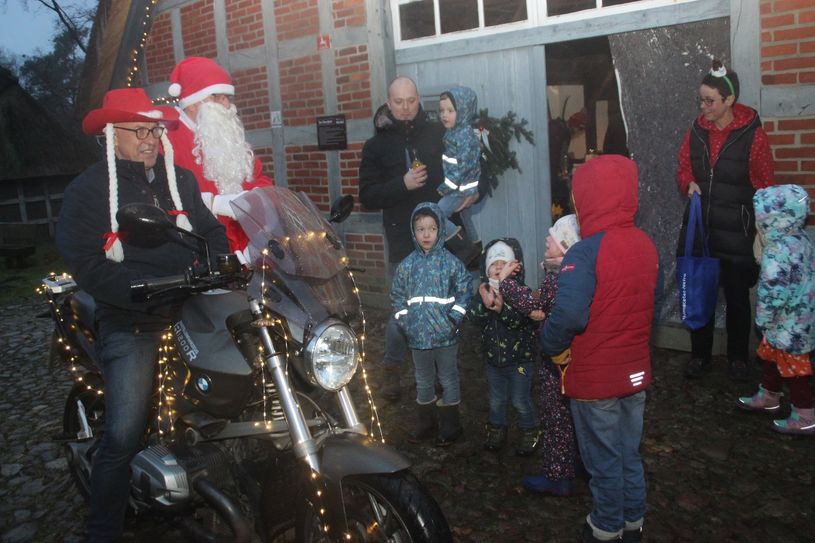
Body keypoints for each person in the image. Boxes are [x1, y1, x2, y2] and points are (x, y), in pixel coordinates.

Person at [55, 88, 229, 542]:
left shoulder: (180, 179)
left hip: (190, 304)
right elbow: (86, 263)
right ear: (113, 135)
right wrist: (134, 288)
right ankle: (103, 530)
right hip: (132, 317)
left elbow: (211, 231)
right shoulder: (89, 190)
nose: (150, 140)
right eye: (139, 131)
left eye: (154, 131)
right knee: (124, 432)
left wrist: (219, 263)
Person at [539, 156, 658, 543]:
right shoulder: (645, 244)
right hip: (635, 372)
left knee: (602, 459)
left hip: (596, 380)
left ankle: (606, 528)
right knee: (629, 453)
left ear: (587, 197)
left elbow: (570, 316)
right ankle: (633, 521)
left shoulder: (585, 252)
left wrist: (548, 342)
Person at [359, 76, 477, 402]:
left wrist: (473, 190)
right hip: (403, 239)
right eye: (399, 102)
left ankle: (439, 373)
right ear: (388, 102)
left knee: (441, 306)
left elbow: (467, 167)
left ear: (418, 99)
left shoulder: (440, 133)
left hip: (443, 236)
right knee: (405, 310)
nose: (406, 108)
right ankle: (392, 367)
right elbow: (367, 195)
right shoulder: (376, 146)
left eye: (411, 101)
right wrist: (403, 184)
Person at [676, 59, 775, 381]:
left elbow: (765, 184)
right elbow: (683, 167)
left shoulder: (753, 136)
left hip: (737, 231)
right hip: (702, 230)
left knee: (737, 298)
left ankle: (737, 359)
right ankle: (699, 356)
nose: (703, 107)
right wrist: (687, 183)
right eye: (701, 100)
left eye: (710, 101)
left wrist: (760, 226)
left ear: (729, 99)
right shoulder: (695, 132)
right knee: (700, 294)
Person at [497, 214, 582, 496]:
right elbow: (540, 307)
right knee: (573, 415)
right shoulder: (571, 273)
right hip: (570, 359)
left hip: (555, 361)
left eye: (554, 236)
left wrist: (506, 282)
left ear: (566, 245)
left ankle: (558, 477)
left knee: (556, 417)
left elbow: (530, 303)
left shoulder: (559, 278)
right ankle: (577, 463)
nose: (547, 238)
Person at [166, 56, 273, 265]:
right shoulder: (168, 140)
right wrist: (214, 203)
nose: (227, 104)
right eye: (217, 97)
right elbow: (166, 197)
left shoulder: (227, 136)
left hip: (246, 246)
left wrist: (259, 197)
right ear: (193, 103)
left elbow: (257, 176)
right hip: (201, 249)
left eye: (227, 98)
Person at [391, 202, 473, 447]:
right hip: (417, 336)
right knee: (423, 379)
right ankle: (426, 422)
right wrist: (406, 321)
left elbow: (465, 292)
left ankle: (451, 425)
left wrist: (453, 319)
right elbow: (397, 296)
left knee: (448, 378)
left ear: (440, 230)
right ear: (413, 232)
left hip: (445, 335)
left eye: (432, 229)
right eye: (421, 229)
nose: (426, 234)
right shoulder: (407, 266)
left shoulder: (451, 263)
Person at [737, 184, 815, 435]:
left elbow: (773, 291)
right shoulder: (801, 239)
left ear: (773, 218)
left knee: (794, 367)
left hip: (786, 320)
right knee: (772, 354)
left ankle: (804, 415)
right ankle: (769, 395)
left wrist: (763, 318)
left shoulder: (777, 251)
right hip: (801, 315)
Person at [469, 239, 540, 456]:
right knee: (496, 400)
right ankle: (497, 430)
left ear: (514, 267)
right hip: (494, 360)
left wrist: (501, 309)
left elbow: (520, 321)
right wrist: (484, 304)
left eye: (504, 263)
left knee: (520, 399)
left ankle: (530, 429)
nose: (498, 267)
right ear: (486, 269)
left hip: (521, 361)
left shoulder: (521, 292)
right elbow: (474, 319)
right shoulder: (483, 291)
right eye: (494, 264)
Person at [437, 86, 482, 252]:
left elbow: (461, 168)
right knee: (465, 215)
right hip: (463, 187)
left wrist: (446, 187)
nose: (444, 115)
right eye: (442, 110)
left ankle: (462, 244)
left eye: (450, 110)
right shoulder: (455, 132)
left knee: (437, 213)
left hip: (459, 188)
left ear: (463, 111)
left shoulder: (463, 137)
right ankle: (475, 243)